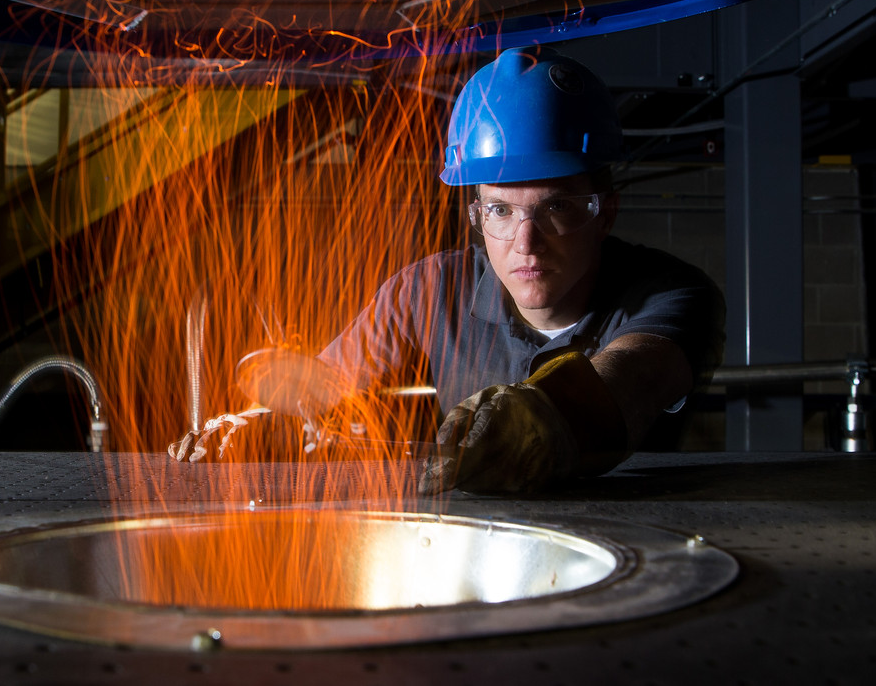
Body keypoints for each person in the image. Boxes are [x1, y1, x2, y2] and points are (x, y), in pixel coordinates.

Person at [170, 47, 725, 494]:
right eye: (501, 211)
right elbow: (327, 386)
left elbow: (633, 379)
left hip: (631, 543)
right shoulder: (431, 288)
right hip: (471, 541)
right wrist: (265, 422)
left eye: (556, 207)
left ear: (604, 211)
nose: (524, 242)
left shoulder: (671, 293)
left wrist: (541, 419)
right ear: (475, 215)